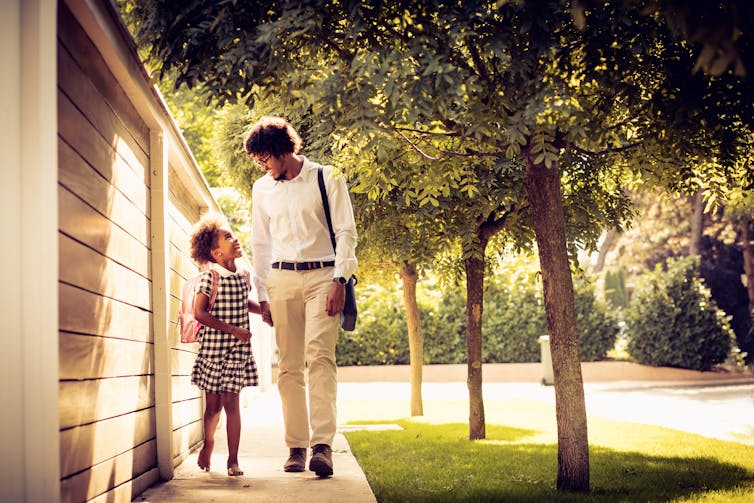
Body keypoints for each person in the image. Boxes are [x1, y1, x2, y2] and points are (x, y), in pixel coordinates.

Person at [246, 116, 358, 478]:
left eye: (266, 158)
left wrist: (341, 279)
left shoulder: (327, 177)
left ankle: (322, 445)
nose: (263, 166)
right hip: (281, 279)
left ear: (283, 150)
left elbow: (345, 232)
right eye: (259, 161)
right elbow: (260, 244)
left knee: (320, 356)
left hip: (324, 275)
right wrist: (261, 293)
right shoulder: (261, 189)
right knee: (289, 365)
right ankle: (295, 445)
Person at [189, 214, 262, 476]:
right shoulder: (210, 278)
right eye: (228, 237)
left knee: (232, 403)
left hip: (237, 352)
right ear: (216, 252)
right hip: (213, 352)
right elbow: (199, 313)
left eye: (233, 234)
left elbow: (245, 304)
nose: (235, 238)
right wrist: (233, 330)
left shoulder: (243, 275)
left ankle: (233, 460)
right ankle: (208, 444)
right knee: (213, 407)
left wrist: (263, 312)